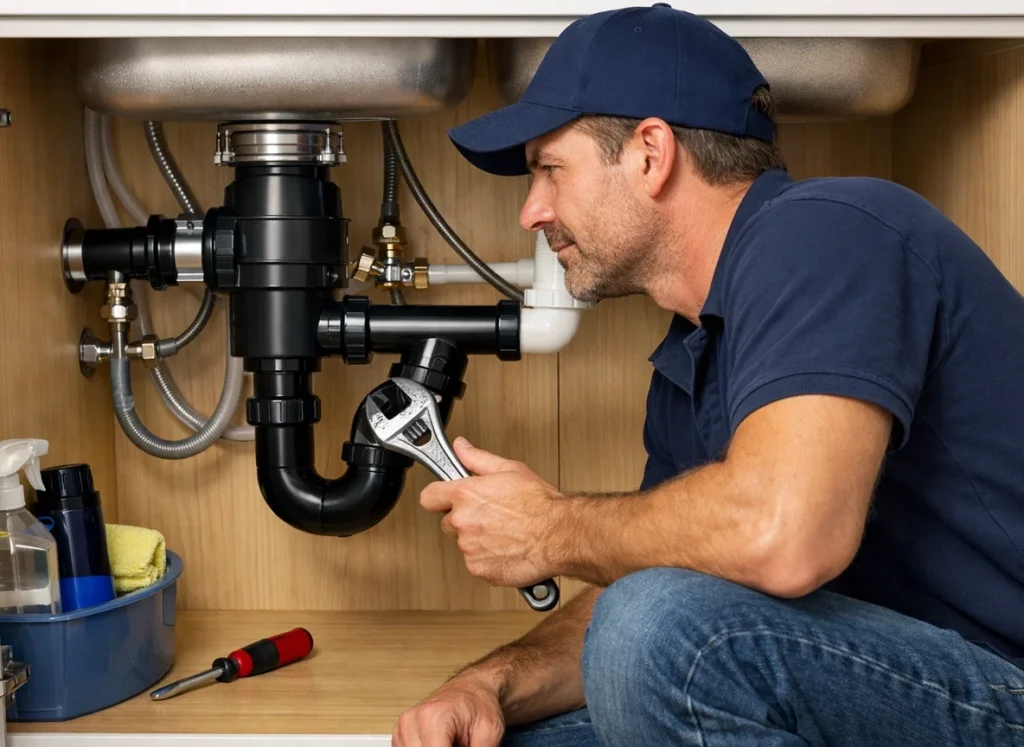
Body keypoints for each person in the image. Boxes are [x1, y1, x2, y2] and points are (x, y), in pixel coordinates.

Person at [390, 4, 1024, 746]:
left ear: (651, 154)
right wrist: (487, 683)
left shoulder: (828, 232)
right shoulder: (694, 355)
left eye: (549, 170)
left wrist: (549, 528)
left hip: (1003, 685)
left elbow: (784, 536)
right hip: (877, 684)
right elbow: (646, 587)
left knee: (655, 627)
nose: (533, 211)